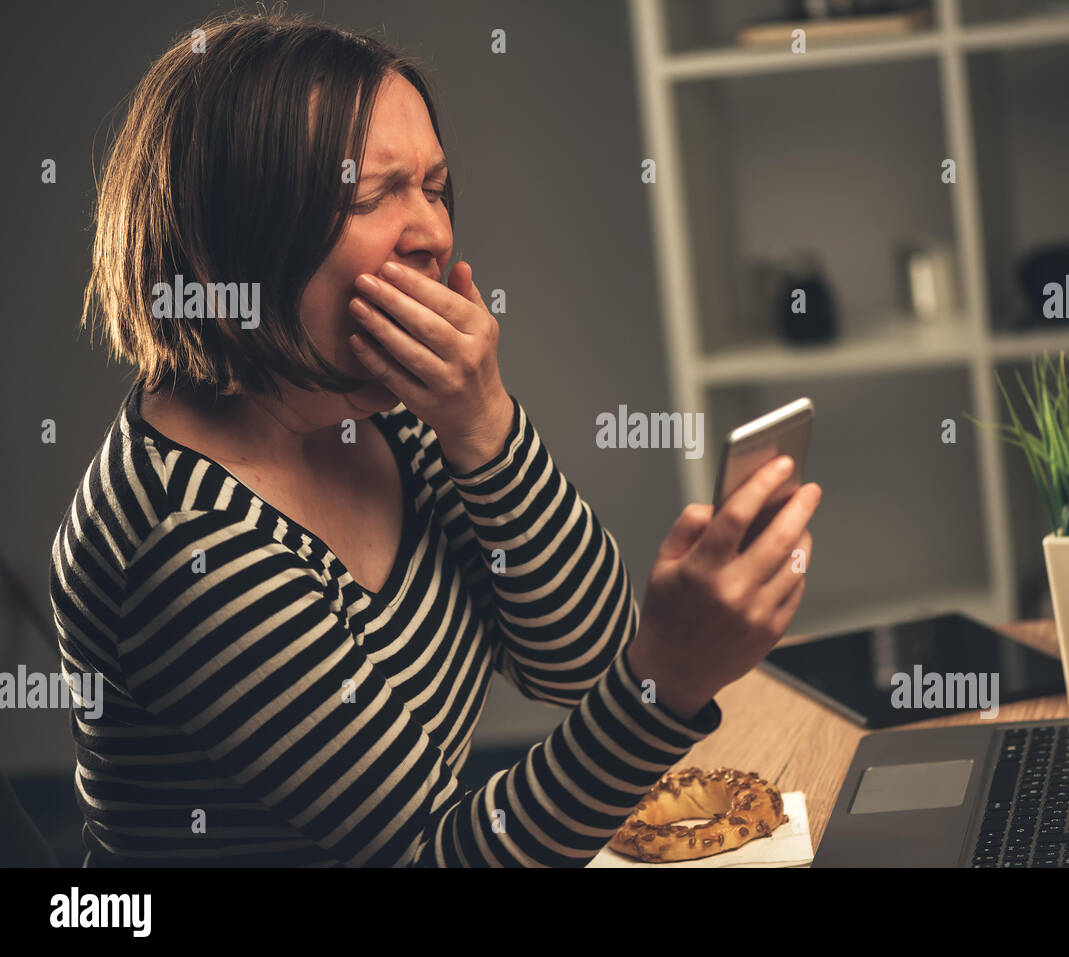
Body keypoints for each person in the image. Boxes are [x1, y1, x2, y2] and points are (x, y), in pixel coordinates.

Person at [50, 10, 821, 866]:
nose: (435, 233)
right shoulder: (191, 542)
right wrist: (669, 679)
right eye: (371, 196)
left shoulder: (372, 408)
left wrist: (484, 423)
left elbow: (581, 661)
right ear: (232, 239)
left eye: (434, 186)